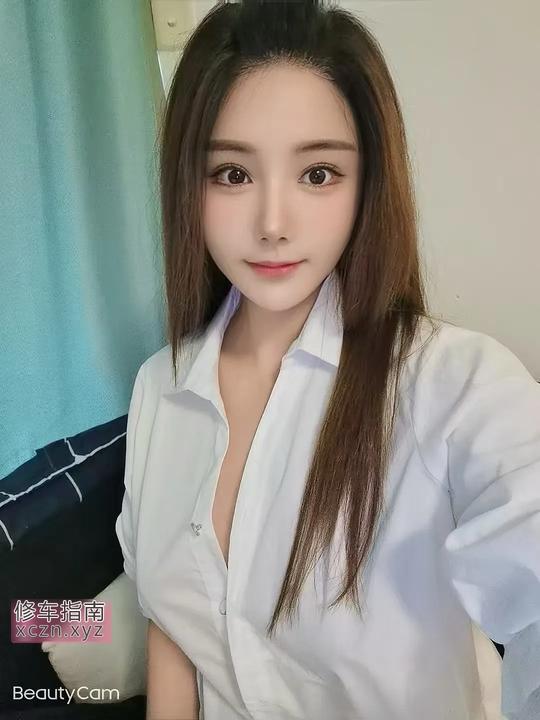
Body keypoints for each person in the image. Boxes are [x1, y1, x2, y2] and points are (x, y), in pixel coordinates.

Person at [115, 1, 540, 718]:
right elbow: (173, 622)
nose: (273, 224)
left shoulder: (451, 384)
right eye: (231, 173)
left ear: (367, 184)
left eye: (318, 174)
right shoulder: (161, 385)